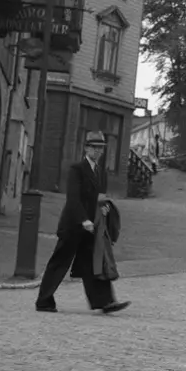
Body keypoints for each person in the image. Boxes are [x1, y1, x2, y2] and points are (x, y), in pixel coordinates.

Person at [35, 131, 129, 315]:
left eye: (101, 148)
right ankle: (44, 301)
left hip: (92, 227)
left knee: (94, 264)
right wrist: (83, 219)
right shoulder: (76, 169)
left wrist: (105, 209)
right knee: (59, 262)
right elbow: (73, 199)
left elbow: (101, 198)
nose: (98, 151)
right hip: (73, 226)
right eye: (94, 147)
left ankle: (106, 302)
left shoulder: (102, 172)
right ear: (86, 148)